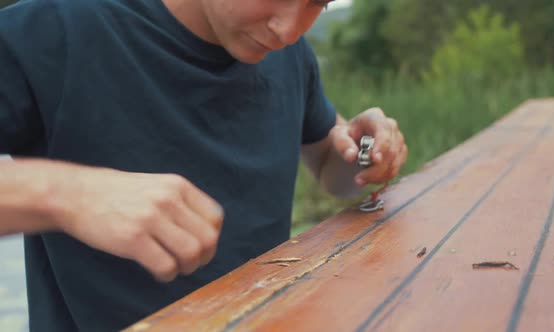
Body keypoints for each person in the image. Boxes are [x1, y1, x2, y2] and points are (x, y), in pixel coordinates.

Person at [0, 0, 407, 330]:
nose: (287, 29)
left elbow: (326, 165)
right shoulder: (48, 30)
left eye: (317, 3)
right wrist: (68, 196)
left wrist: (365, 154)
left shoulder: (290, 55)